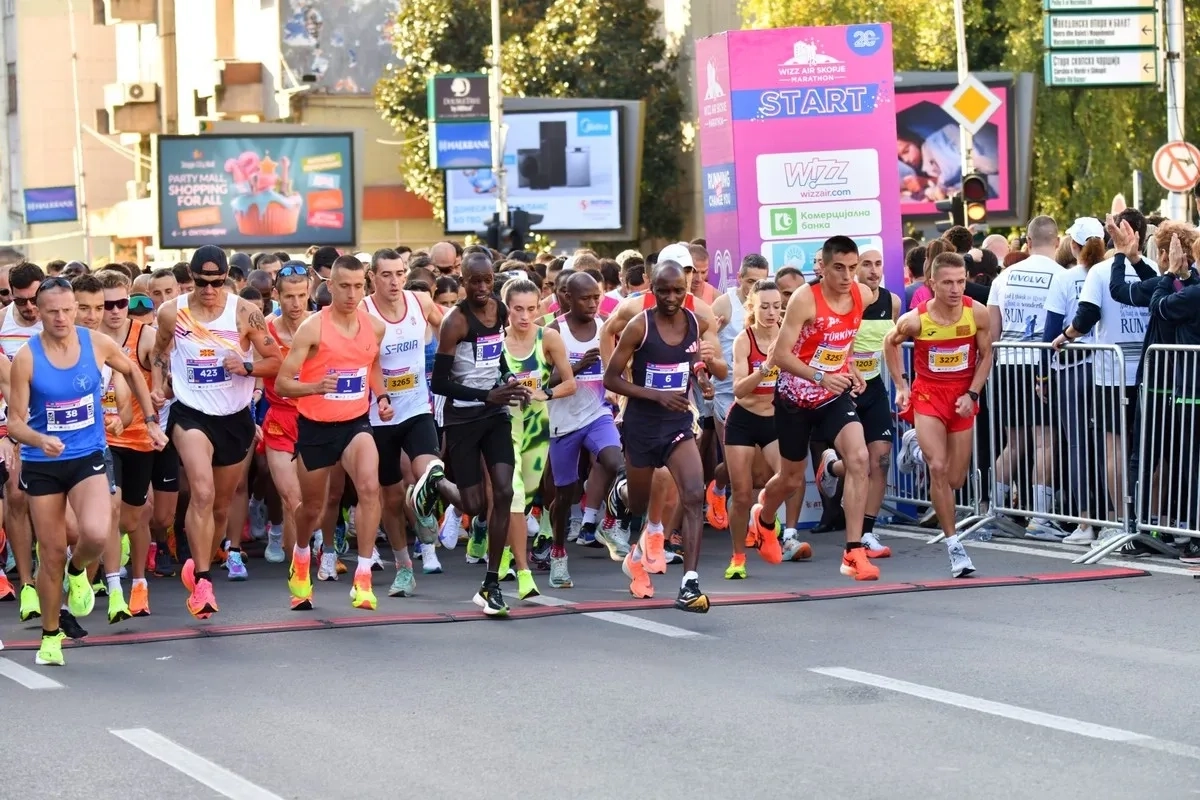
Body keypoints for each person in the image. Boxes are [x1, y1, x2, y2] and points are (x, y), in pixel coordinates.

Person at [8, 275, 166, 666]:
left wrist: (149, 420)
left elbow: (131, 372)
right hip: (44, 462)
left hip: (87, 455)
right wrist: (37, 438)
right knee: (52, 551)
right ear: (38, 313)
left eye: (67, 310)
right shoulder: (27, 357)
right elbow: (14, 422)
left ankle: (79, 572)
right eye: (52, 312)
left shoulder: (95, 343)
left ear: (75, 309)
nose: (61, 318)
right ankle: (50, 636)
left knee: (96, 533)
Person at [151, 246, 282, 619]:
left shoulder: (245, 312)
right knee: (203, 492)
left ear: (228, 278)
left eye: (217, 282)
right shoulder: (171, 312)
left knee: (221, 506)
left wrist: (245, 367)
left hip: (234, 417)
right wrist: (161, 385)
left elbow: (276, 362)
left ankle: (201, 563)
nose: (209, 289)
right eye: (201, 282)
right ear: (190, 279)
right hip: (191, 414)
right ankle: (205, 581)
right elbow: (159, 353)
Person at [747, 236, 878, 581]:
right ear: (823, 268)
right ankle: (763, 519)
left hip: (832, 394)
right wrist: (821, 376)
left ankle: (853, 552)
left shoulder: (862, 295)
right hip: (794, 397)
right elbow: (779, 355)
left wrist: (851, 370)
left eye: (854, 268)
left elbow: (840, 341)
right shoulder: (807, 299)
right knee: (790, 478)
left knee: (860, 458)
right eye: (839, 268)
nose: (848, 276)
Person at [603, 261, 726, 612]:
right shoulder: (638, 327)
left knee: (692, 494)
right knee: (638, 505)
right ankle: (621, 491)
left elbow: (693, 366)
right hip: (642, 426)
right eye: (663, 291)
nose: (671, 297)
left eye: (677, 291)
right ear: (651, 290)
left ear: (686, 292)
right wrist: (655, 395)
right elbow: (612, 379)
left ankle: (689, 584)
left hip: (676, 425)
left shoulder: (695, 324)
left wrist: (702, 380)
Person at [274, 254, 389, 611]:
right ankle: (302, 553)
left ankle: (364, 576)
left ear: (365, 284)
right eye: (344, 286)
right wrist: (314, 386)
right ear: (330, 286)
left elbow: (372, 365)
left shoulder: (375, 326)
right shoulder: (313, 328)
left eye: (358, 286)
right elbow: (281, 383)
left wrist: (382, 394)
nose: (351, 294)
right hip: (316, 426)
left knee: (370, 486)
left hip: (356, 423)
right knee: (312, 508)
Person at [431, 252, 531, 616]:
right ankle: (436, 483)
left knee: (504, 490)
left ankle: (491, 582)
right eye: (476, 281)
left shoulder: (500, 311)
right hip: (461, 419)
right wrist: (484, 393)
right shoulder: (454, 323)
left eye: (488, 280)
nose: (484, 288)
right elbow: (440, 383)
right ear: (463, 280)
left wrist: (506, 380)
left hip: (495, 414)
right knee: (474, 506)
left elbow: (498, 357)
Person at [362, 248, 463, 598]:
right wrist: (381, 396)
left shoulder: (419, 302)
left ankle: (423, 511)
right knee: (389, 498)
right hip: (379, 415)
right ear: (372, 277)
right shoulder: (364, 312)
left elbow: (450, 328)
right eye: (386, 274)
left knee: (431, 470)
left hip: (418, 407)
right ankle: (404, 567)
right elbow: (368, 361)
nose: (394, 281)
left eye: (400, 273)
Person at [886, 252, 991, 577]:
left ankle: (913, 444)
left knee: (957, 478)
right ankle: (954, 545)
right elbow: (890, 344)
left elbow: (986, 355)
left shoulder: (978, 314)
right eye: (947, 282)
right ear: (932, 283)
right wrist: (902, 386)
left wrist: (972, 393)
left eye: (961, 281)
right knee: (939, 468)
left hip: (961, 397)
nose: (956, 289)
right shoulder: (915, 320)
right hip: (929, 396)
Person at [723, 279, 812, 578]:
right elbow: (738, 389)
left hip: (776, 420)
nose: (772, 312)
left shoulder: (790, 337)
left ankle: (776, 525)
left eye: (777, 306)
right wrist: (765, 367)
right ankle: (738, 558)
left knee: (791, 479)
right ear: (752, 308)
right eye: (765, 307)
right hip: (744, 421)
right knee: (742, 493)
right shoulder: (744, 340)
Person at [814, 248, 899, 559]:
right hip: (843, 387)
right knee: (858, 461)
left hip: (874, 386)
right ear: (854, 270)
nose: (874, 270)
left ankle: (867, 532)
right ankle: (832, 469)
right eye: (867, 264)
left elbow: (891, 346)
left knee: (881, 459)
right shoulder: (845, 302)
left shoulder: (893, 302)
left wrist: (902, 385)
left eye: (879, 264)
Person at [499, 278, 575, 599]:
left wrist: (546, 392)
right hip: (503, 430)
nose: (525, 316)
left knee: (527, 497)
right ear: (507, 309)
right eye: (518, 309)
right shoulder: (496, 342)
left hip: (536, 429)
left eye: (532, 308)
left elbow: (570, 383)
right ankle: (523, 571)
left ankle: (503, 551)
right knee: (513, 496)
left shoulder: (549, 338)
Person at [545, 272, 623, 586]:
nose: (592, 304)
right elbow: (542, 384)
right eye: (585, 298)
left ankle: (609, 521)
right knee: (565, 495)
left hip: (597, 414)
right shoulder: (553, 331)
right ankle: (558, 552)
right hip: (562, 422)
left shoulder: (606, 327)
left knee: (617, 464)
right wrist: (573, 369)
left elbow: (618, 367)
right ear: (568, 298)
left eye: (596, 297)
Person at [987, 215, 1062, 533]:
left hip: (1007, 364)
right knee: (1045, 443)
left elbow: (992, 331)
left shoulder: (1003, 277)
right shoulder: (1063, 276)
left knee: (1013, 443)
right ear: (1057, 242)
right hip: (1043, 366)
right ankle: (1041, 518)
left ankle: (998, 509)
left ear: (1028, 243)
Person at [93, 268, 158, 617]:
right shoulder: (88, 339)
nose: (116, 311)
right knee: (111, 508)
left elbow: (161, 374)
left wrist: (161, 391)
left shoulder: (144, 335)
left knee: (136, 518)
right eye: (107, 305)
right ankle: (116, 588)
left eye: (122, 303)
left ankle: (139, 583)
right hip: (101, 440)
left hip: (140, 439)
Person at [707, 254, 771, 531]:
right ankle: (722, 487)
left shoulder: (769, 307)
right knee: (738, 468)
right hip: (727, 392)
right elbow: (706, 343)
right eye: (749, 281)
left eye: (760, 281)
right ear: (739, 278)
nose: (753, 287)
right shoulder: (724, 304)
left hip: (762, 393)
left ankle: (757, 520)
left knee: (759, 470)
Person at [0, 261, 45, 621]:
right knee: (16, 496)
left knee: (53, 505)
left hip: (58, 425)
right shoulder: (2, 323)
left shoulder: (59, 317)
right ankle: (28, 583)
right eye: (21, 301)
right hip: (16, 425)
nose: (29, 308)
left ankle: (55, 571)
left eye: (34, 299)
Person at [260, 264, 311, 570]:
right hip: (279, 418)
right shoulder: (265, 330)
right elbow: (249, 368)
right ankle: (299, 570)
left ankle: (313, 550)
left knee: (312, 502)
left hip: (315, 419)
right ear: (277, 295)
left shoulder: (320, 325)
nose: (296, 303)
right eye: (289, 296)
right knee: (293, 500)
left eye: (302, 295)